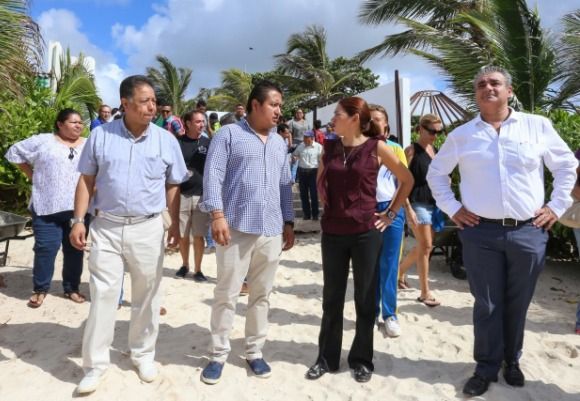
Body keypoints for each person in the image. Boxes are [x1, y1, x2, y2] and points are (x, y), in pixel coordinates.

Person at [426, 66, 577, 397]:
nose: (487, 87)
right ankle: (485, 367)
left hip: (529, 231)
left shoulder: (537, 126)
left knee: (518, 302)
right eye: (481, 84)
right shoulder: (462, 135)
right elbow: (436, 174)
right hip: (480, 232)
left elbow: (567, 166)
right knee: (487, 304)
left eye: (495, 83)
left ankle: (512, 361)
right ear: (476, 94)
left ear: (510, 91)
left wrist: (556, 206)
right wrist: (453, 208)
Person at [69, 75, 188, 394]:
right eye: (145, 101)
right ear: (125, 102)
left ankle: (143, 354)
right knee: (103, 295)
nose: (152, 107)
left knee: (147, 295)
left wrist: (173, 224)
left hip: (148, 227)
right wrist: (78, 220)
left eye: (154, 101)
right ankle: (95, 365)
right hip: (106, 226)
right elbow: (86, 180)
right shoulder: (101, 136)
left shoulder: (166, 140)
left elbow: (173, 183)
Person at [306, 96, 413, 383]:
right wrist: (329, 205)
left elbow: (407, 180)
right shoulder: (329, 148)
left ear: (354, 118)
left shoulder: (377, 147)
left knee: (365, 298)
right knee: (332, 298)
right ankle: (326, 358)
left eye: (338, 114)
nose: (332, 119)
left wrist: (390, 214)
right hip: (333, 232)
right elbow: (320, 182)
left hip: (366, 232)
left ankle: (361, 359)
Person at [198, 80, 295, 384]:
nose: (278, 111)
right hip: (235, 228)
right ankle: (218, 354)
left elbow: (285, 185)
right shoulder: (228, 135)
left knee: (261, 295)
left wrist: (289, 222)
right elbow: (213, 176)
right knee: (226, 294)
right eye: (274, 104)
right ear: (255, 105)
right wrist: (217, 215)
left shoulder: (279, 143)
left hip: (271, 229)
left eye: (280, 106)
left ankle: (254, 351)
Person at [5, 108, 90, 308]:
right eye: (73, 122)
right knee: (45, 249)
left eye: (80, 122)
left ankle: (71, 288)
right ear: (60, 124)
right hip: (46, 206)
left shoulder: (88, 144)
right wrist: (33, 176)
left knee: (75, 250)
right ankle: (40, 289)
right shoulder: (43, 141)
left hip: (77, 209)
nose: (78, 125)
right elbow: (14, 152)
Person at [369, 103, 417, 337]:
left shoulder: (395, 149)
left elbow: (403, 183)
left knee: (389, 265)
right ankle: (370, 313)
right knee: (368, 266)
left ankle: (389, 314)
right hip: (366, 211)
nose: (373, 122)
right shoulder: (358, 148)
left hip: (391, 210)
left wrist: (399, 211)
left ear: (386, 123)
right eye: (369, 119)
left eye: (378, 119)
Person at [398, 114, 444, 307]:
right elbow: (401, 180)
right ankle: (425, 292)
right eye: (432, 131)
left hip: (434, 204)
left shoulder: (436, 151)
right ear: (421, 129)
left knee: (425, 246)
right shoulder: (411, 151)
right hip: (417, 203)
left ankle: (399, 272)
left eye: (439, 131)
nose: (435, 135)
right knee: (426, 246)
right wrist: (407, 208)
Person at [174, 110, 211, 282]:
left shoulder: (208, 143)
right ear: (187, 123)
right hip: (181, 194)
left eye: (203, 121)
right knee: (183, 235)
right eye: (197, 121)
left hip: (201, 195)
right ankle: (185, 265)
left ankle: (198, 269)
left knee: (199, 235)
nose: (201, 124)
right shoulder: (178, 142)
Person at [292, 131, 322, 220]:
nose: (304, 139)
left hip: (314, 172)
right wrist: (294, 158)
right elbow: (295, 155)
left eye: (306, 137)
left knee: (314, 194)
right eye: (304, 137)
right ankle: (306, 214)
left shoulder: (319, 147)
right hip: (302, 172)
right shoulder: (300, 146)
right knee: (303, 194)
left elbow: (322, 160)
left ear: (312, 138)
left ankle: (315, 214)